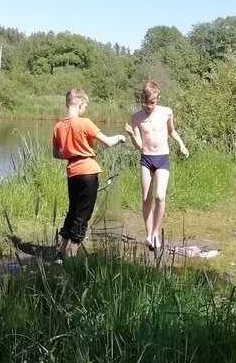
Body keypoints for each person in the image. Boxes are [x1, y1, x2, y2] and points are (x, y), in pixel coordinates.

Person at [52, 88, 125, 257]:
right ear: (80, 103)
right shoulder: (85, 123)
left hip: (72, 172)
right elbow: (108, 142)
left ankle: (61, 252)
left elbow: (56, 154)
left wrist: (72, 154)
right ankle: (73, 255)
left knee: (73, 210)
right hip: (88, 173)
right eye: (86, 106)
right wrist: (120, 137)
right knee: (83, 214)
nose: (86, 109)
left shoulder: (58, 126)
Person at [123, 81, 189, 250]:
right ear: (142, 99)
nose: (149, 106)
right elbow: (139, 146)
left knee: (160, 196)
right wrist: (131, 135)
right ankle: (149, 236)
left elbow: (171, 131)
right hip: (146, 159)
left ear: (158, 98)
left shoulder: (167, 112)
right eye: (146, 102)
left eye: (152, 102)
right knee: (146, 198)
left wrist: (181, 144)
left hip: (162, 158)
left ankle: (155, 233)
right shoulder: (136, 117)